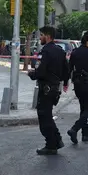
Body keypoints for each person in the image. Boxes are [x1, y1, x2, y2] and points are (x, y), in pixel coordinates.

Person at [27, 25, 70, 155]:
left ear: (48, 36)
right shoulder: (60, 51)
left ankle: (51, 145)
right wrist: (66, 83)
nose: (40, 38)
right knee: (48, 116)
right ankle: (57, 140)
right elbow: (66, 70)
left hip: (46, 88)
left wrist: (32, 74)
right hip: (55, 88)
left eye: (41, 35)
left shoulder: (45, 51)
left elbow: (41, 71)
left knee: (44, 117)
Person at [66, 31, 88, 144]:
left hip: (77, 84)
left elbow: (69, 68)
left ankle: (85, 134)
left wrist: (66, 82)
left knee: (83, 108)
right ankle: (74, 129)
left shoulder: (75, 52)